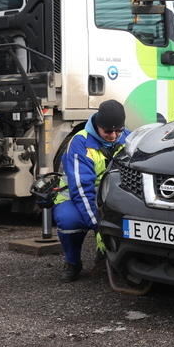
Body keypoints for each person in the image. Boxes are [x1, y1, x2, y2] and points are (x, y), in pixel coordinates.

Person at [52, 99, 130, 282]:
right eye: (108, 131)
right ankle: (72, 262)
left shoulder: (129, 138)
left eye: (118, 130)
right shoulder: (80, 142)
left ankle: (110, 257)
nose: (113, 135)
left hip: (111, 197)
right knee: (69, 221)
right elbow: (82, 189)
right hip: (76, 197)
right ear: (97, 125)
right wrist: (99, 226)